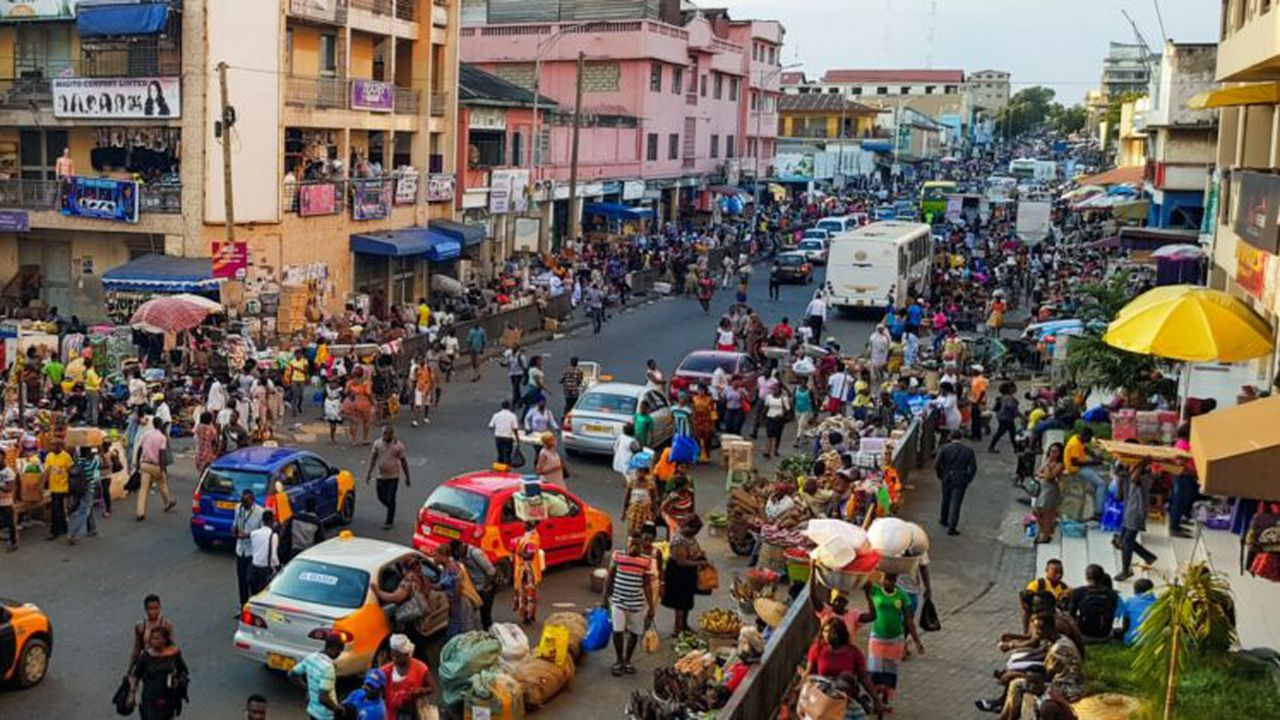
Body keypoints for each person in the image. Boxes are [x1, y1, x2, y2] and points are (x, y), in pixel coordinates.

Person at [865, 572, 925, 709]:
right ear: (882, 579)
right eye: (887, 579)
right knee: (874, 671)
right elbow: (864, 583)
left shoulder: (901, 596)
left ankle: (885, 698)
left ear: (896, 581)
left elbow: (909, 621)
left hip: (895, 639)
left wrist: (917, 641)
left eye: (892, 580)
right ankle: (876, 701)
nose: (889, 583)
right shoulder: (875, 591)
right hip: (877, 637)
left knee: (890, 670)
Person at [806, 617, 883, 719]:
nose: (828, 635)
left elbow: (864, 677)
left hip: (845, 698)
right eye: (825, 631)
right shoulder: (817, 650)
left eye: (832, 632)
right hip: (824, 698)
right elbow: (809, 675)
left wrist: (876, 700)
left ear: (840, 633)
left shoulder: (853, 652)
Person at [603, 536, 657, 676]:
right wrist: (605, 597)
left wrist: (651, 607)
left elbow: (646, 585)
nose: (633, 547)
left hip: (637, 604)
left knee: (634, 633)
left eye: (636, 545)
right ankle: (619, 660)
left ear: (641, 546)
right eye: (631, 544)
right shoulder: (618, 556)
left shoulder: (646, 561)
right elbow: (610, 577)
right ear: (626, 544)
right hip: (618, 602)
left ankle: (627, 660)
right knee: (618, 632)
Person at [129, 625, 188, 720]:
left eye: (156, 638)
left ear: (164, 640)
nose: (153, 641)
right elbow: (136, 676)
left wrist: (179, 681)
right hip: (150, 697)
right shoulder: (146, 656)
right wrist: (132, 695)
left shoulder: (174, 653)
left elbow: (183, 670)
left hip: (168, 696)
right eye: (151, 638)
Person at [662, 515, 708, 636]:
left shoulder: (689, 536)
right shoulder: (679, 540)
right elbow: (681, 562)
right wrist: (699, 562)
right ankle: (677, 630)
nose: (695, 533)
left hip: (688, 573)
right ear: (688, 527)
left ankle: (684, 625)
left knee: (687, 601)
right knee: (680, 603)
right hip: (679, 573)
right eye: (694, 530)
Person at [1114, 458, 1157, 582]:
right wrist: (1121, 465)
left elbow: (1134, 479)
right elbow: (1119, 494)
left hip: (1137, 512)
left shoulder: (1147, 477)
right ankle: (1148, 556)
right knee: (1122, 541)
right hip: (1128, 512)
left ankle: (1125, 570)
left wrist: (1142, 462)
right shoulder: (1127, 476)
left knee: (1127, 542)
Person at [290, 634, 343, 720]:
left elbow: (292, 674)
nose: (339, 655)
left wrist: (306, 689)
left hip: (313, 710)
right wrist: (337, 709)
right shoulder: (328, 668)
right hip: (326, 715)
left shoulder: (311, 657)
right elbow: (323, 698)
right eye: (339, 652)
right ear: (334, 649)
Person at [367, 425, 410, 530]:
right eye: (383, 433)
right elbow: (373, 458)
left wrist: (407, 477)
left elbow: (403, 462)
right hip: (380, 475)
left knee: (391, 498)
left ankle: (389, 521)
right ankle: (391, 507)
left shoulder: (398, 446)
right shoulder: (377, 444)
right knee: (381, 497)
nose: (384, 436)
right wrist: (369, 473)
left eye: (387, 434)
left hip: (393, 476)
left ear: (392, 434)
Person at [380, 634, 433, 719]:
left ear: (407, 654)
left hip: (413, 712)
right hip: (392, 714)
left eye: (398, 656)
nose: (394, 659)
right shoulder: (385, 670)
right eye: (393, 655)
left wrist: (421, 691)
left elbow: (431, 687)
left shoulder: (420, 668)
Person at [935, 434, 977, 536]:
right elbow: (973, 468)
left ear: (950, 438)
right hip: (960, 479)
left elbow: (937, 464)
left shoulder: (944, 449)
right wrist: (968, 479)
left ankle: (944, 519)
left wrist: (941, 475)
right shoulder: (968, 450)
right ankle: (952, 527)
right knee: (956, 503)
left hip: (947, 477)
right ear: (961, 438)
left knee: (946, 499)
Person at [1066, 564, 1120, 642]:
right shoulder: (1112, 594)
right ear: (1102, 577)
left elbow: (1071, 615)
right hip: (1105, 634)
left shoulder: (1078, 592)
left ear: (1086, 577)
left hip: (1084, 634)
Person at [451, 539, 497, 630]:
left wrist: (487, 587)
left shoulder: (475, 554)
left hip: (485, 587)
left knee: (485, 615)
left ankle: (489, 634)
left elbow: (491, 571)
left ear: (461, 547)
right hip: (475, 587)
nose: (457, 555)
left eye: (457, 552)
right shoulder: (461, 556)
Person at [1063, 427, 1107, 521]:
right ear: (1084, 436)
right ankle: (1099, 512)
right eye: (1088, 438)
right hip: (1075, 469)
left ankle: (1097, 505)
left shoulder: (1077, 438)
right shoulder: (1074, 444)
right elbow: (1075, 462)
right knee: (1101, 484)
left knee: (1096, 483)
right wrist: (1093, 462)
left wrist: (1094, 455)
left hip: (1080, 467)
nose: (1088, 441)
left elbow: (1085, 448)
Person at [233, 489, 265, 610]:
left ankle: (253, 606)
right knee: (241, 580)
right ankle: (243, 606)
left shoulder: (260, 512)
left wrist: (248, 535)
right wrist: (234, 529)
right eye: (242, 502)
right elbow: (235, 523)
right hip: (240, 549)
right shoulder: (238, 508)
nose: (243, 505)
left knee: (251, 580)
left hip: (252, 551)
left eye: (245, 502)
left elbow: (262, 533)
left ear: (252, 500)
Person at [1021, 559, 1069, 631]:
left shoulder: (1064, 588)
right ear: (1047, 571)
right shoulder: (1038, 584)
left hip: (1056, 618)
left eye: (1061, 572)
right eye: (1055, 572)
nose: (1059, 575)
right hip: (1038, 619)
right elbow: (1025, 603)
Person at [130, 594, 176, 669]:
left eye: (156, 608)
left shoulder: (166, 625)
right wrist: (130, 670)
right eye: (150, 609)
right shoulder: (140, 626)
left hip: (162, 663)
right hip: (147, 664)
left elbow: (172, 646)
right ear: (145, 609)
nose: (153, 612)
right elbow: (137, 648)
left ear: (160, 608)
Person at [512, 522, 544, 625]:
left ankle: (527, 616)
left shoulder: (531, 540)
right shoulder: (530, 536)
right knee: (527, 594)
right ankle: (528, 615)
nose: (522, 524)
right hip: (526, 569)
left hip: (527, 571)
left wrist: (517, 551)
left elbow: (529, 555)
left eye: (525, 523)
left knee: (526, 594)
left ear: (530, 525)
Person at [1033, 443, 1065, 544]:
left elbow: (1049, 476)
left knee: (1046, 512)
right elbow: (1038, 472)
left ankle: (1046, 534)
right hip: (1043, 488)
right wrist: (1045, 471)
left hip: (1051, 490)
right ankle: (1045, 530)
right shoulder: (1048, 461)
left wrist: (1047, 467)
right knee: (1037, 511)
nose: (1052, 454)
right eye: (1051, 451)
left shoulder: (1059, 464)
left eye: (1055, 452)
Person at [67, 446, 99, 545]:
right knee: (83, 511)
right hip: (89, 489)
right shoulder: (93, 462)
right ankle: (72, 534)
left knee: (87, 508)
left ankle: (92, 528)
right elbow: (100, 465)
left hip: (78, 489)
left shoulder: (78, 462)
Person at [43, 440, 73, 540]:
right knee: (59, 509)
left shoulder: (66, 457)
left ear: (60, 446)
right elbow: (47, 470)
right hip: (53, 487)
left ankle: (54, 531)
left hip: (63, 487)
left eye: (54, 446)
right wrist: (43, 483)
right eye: (51, 446)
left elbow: (70, 472)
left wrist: (70, 488)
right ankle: (63, 527)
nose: (52, 448)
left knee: (56, 509)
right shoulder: (49, 456)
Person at [283, 496, 326, 562]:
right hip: (308, 553)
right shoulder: (317, 522)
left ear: (305, 506)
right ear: (315, 508)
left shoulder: (294, 518)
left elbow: (286, 536)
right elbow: (320, 542)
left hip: (294, 552)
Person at [1115, 578, 1157, 646]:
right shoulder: (1159, 603)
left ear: (1135, 591)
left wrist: (1123, 631)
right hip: (1154, 640)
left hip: (1133, 639)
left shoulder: (1130, 602)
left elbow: (1126, 624)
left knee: (1117, 631)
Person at [249, 510, 281, 594]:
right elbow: (274, 557)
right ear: (271, 521)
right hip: (266, 570)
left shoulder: (254, 534)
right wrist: (279, 568)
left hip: (254, 567)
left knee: (254, 593)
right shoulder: (274, 536)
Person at [988, 382, 1020, 453]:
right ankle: (991, 447)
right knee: (1003, 433)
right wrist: (1016, 409)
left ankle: (1016, 448)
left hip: (1003, 417)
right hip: (1006, 418)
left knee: (1009, 433)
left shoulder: (1004, 397)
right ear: (1010, 389)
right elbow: (1009, 406)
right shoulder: (1008, 398)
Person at [762, 381, 790, 459]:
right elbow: (766, 407)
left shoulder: (783, 398)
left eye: (776, 389)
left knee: (777, 435)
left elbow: (787, 409)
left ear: (779, 389)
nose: (774, 391)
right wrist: (763, 417)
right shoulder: (768, 397)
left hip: (779, 419)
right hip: (770, 418)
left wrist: (783, 415)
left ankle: (775, 450)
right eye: (773, 389)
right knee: (769, 435)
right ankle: (768, 451)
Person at [488, 401, 520, 466]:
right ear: (509, 406)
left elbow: (490, 426)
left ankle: (499, 468)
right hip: (508, 437)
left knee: (500, 454)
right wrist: (517, 439)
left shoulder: (496, 415)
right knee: (507, 455)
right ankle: (506, 469)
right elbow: (515, 429)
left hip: (498, 437)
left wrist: (498, 428)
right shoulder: (512, 416)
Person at [411, 356, 435, 428]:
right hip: (419, 388)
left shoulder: (428, 369)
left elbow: (432, 380)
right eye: (419, 360)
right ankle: (415, 420)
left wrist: (431, 391)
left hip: (427, 388)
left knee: (427, 404)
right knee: (418, 405)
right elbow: (414, 379)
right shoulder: (416, 369)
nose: (420, 362)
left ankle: (425, 417)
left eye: (422, 360)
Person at [0, 464, 17, 551]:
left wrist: (1, 486)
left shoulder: (8, 472)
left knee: (10, 523)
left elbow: (10, 487)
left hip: (6, 501)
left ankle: (13, 543)